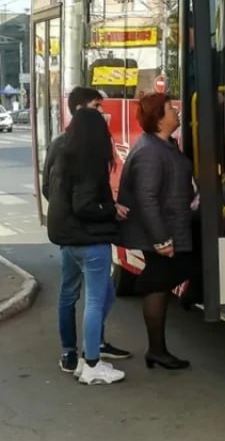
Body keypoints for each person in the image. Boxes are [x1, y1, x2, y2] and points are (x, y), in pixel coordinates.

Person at [42, 86, 131, 371]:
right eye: (96, 107)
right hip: (85, 235)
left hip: (68, 235)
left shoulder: (63, 145)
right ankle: (86, 357)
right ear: (80, 109)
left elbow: (50, 190)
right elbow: (76, 199)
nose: (102, 113)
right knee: (93, 297)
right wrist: (107, 211)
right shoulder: (78, 149)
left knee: (83, 294)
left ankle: (83, 349)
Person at [117, 93, 195, 370]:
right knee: (159, 282)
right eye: (171, 109)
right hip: (161, 231)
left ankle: (157, 349)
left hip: (173, 224)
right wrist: (161, 239)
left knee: (172, 275)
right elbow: (147, 199)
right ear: (159, 118)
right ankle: (157, 350)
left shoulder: (166, 144)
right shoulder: (150, 150)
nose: (177, 112)